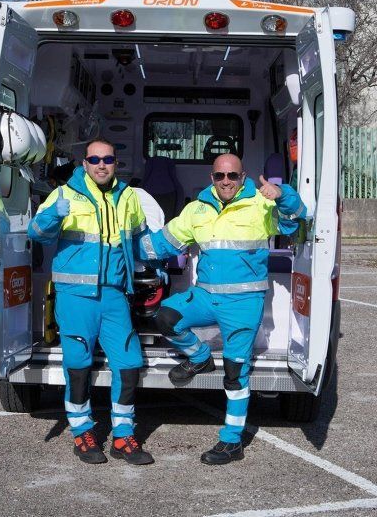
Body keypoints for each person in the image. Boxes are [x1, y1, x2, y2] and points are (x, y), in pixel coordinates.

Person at [138, 153, 308, 464]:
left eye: (232, 176)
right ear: (212, 178)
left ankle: (231, 441)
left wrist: (283, 195)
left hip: (244, 303)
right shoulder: (197, 210)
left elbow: (296, 217)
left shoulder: (261, 204)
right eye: (220, 176)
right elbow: (161, 244)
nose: (226, 181)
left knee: (235, 372)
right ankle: (200, 359)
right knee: (166, 317)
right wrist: (120, 246)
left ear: (243, 177)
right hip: (205, 296)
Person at [27, 139, 154, 465]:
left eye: (107, 159)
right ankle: (82, 432)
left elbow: (140, 239)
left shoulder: (128, 197)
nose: (101, 164)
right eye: (94, 159)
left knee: (129, 365)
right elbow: (36, 232)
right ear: (84, 163)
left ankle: (123, 436)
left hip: (114, 295)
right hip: (75, 297)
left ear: (115, 162)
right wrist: (53, 216)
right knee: (79, 368)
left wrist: (160, 260)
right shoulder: (64, 194)